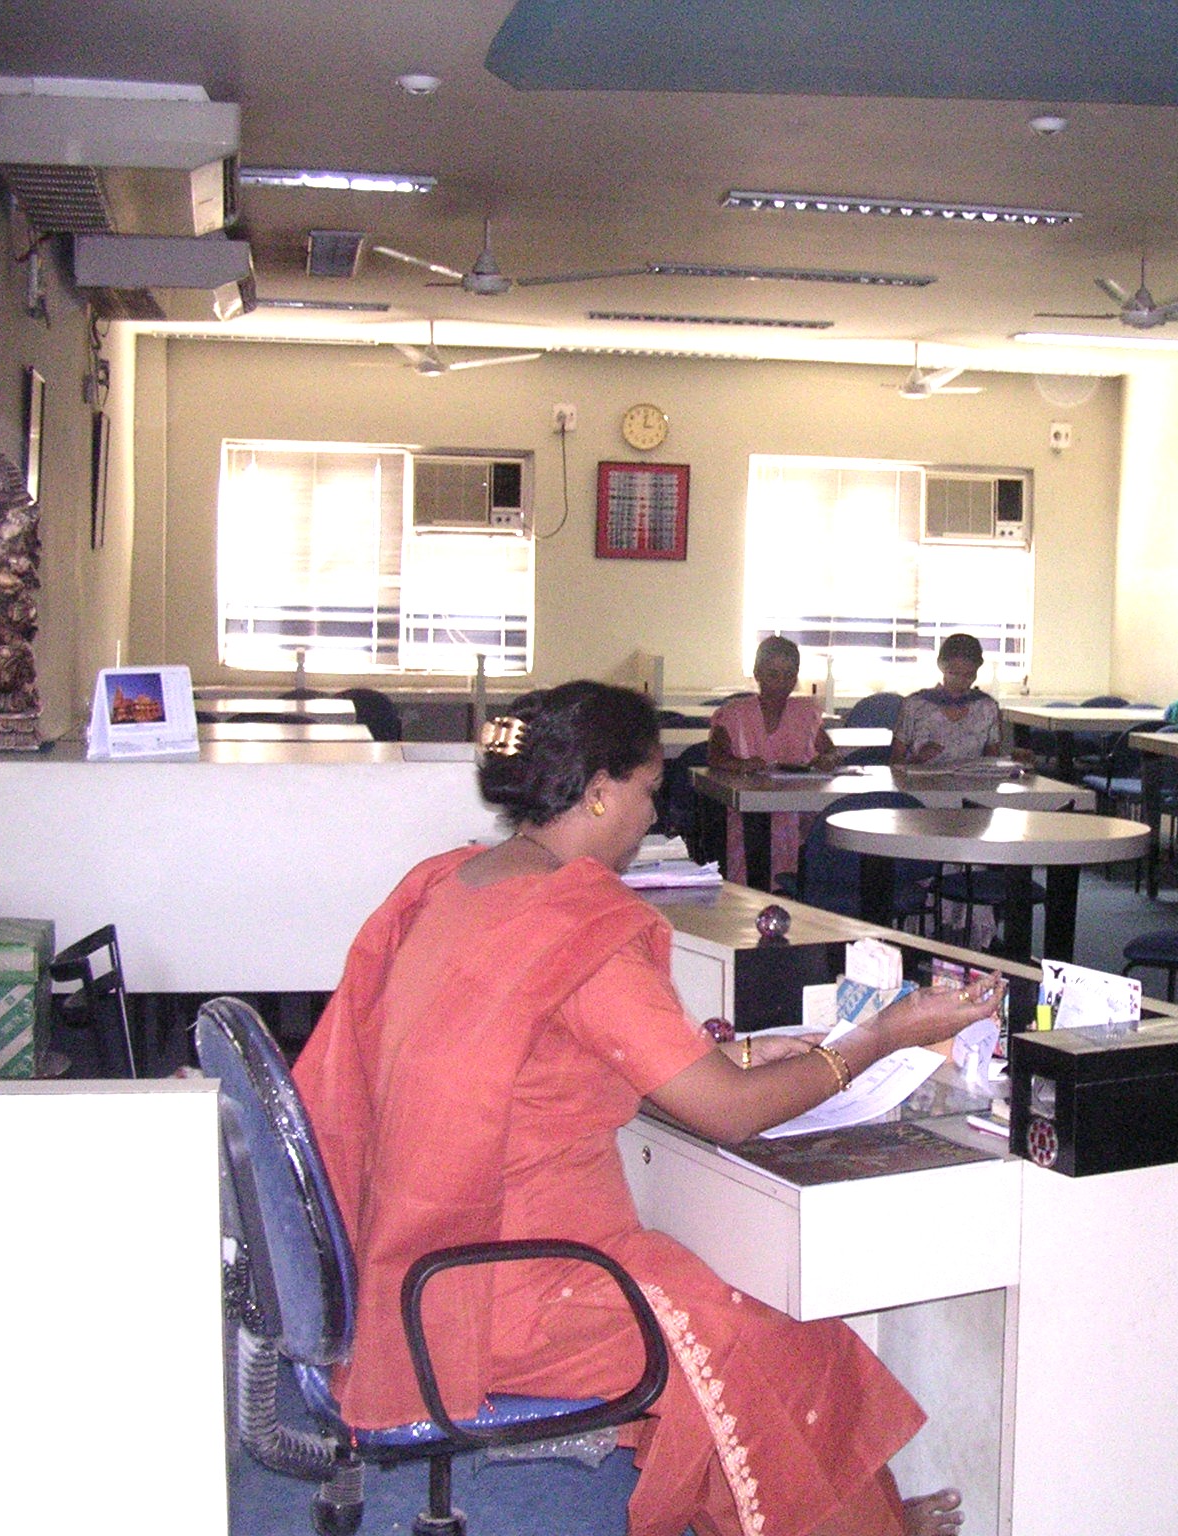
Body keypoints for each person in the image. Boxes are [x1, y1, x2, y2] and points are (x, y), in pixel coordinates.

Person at [292, 681, 999, 1536]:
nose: (652, 812)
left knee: (756, 1337)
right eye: (648, 789)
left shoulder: (453, 882)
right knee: (755, 1345)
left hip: (423, 1246)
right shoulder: (577, 922)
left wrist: (733, 1054)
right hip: (515, 1279)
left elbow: (535, 1049)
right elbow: (728, 1115)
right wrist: (879, 1036)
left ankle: (861, 1518)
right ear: (598, 790)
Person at [707, 635, 839, 885]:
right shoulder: (735, 714)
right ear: (757, 674)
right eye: (773, 675)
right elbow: (715, 756)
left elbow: (830, 751)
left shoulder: (804, 713)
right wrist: (741, 764)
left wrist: (828, 759)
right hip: (749, 816)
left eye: (789, 676)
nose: (782, 683)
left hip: (799, 817)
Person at [891, 632, 1004, 766]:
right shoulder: (916, 705)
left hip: (971, 784)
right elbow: (895, 763)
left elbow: (992, 762)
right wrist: (917, 759)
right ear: (942, 668)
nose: (961, 681)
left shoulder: (986, 707)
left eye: (968, 675)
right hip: (923, 783)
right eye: (954, 674)